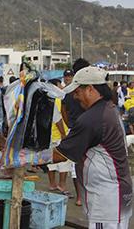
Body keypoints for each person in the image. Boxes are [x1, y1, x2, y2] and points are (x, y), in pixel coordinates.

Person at [53, 66, 132, 229]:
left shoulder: (92, 119)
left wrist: (27, 158)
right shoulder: (109, 108)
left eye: (77, 92)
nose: (75, 97)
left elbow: (60, 154)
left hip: (107, 198)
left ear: (90, 89)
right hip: (115, 192)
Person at [61, 60, 90, 207]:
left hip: (78, 130)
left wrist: (70, 126)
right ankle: (81, 196)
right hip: (81, 130)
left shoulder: (70, 91)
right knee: (78, 165)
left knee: (77, 165)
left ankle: (81, 197)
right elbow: (63, 111)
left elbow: (63, 111)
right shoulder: (83, 89)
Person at [46, 79, 71, 197]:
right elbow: (58, 119)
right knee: (64, 161)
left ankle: (52, 184)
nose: (62, 86)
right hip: (58, 135)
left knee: (50, 161)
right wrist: (64, 134)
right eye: (60, 84)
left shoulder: (46, 98)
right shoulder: (58, 99)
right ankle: (62, 184)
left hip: (48, 135)